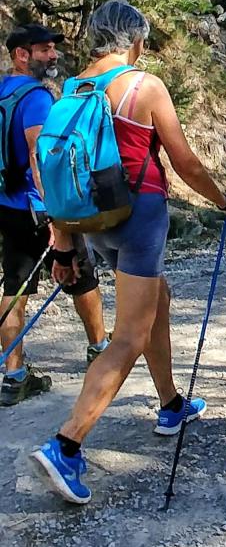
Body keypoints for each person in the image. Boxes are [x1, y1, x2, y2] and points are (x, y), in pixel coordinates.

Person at [31, 0, 226, 505]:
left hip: (94, 223)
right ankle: (67, 443)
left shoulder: (69, 93)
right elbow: (185, 161)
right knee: (128, 334)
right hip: (139, 217)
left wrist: (63, 248)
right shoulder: (144, 86)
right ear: (134, 40)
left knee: (156, 299)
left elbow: (54, 177)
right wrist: (224, 201)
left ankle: (170, 403)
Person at [0, 25, 108, 407]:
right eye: (44, 50)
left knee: (14, 287)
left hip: (8, 206)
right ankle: (100, 349)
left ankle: (14, 376)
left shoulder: (2, 90)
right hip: (40, 208)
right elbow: (40, 157)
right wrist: (56, 216)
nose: (53, 56)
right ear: (21, 55)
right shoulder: (35, 98)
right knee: (79, 275)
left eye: (52, 49)